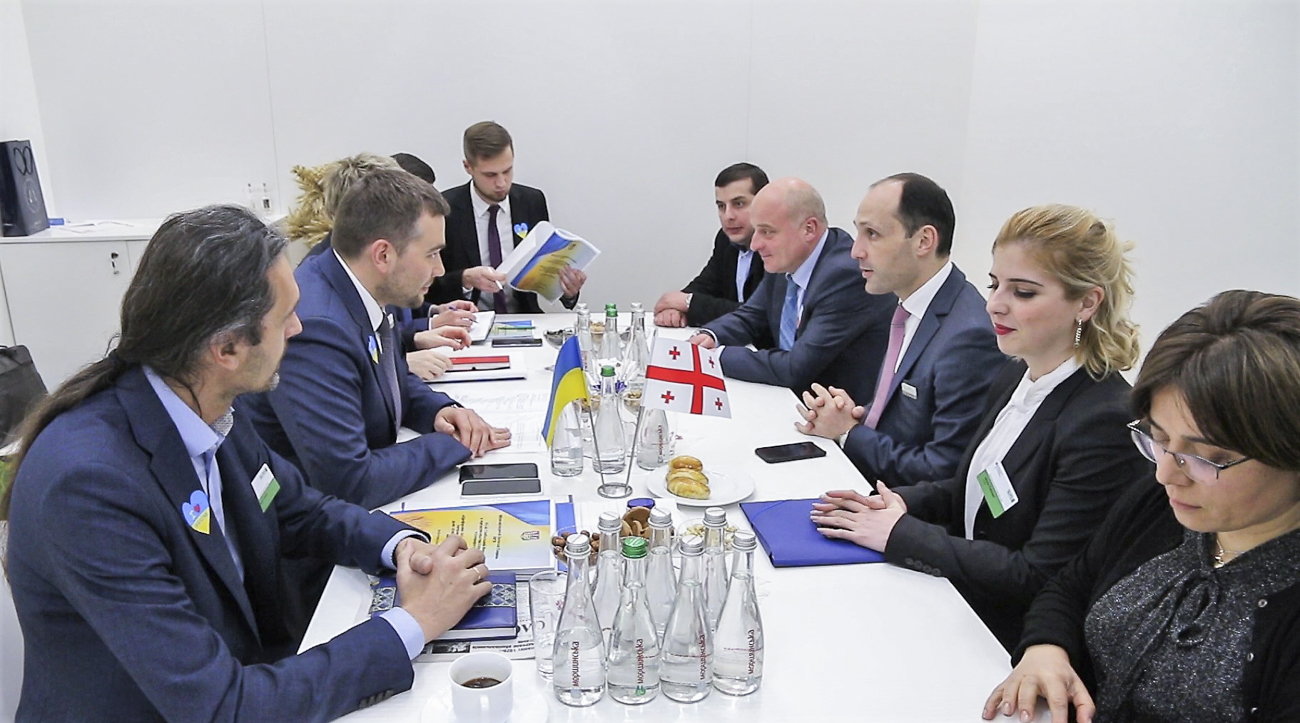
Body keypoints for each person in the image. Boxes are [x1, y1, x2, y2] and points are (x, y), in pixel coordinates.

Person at [1, 205, 492, 720]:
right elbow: (223, 706)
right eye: (285, 317)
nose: (299, 328)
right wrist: (412, 623)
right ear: (227, 348)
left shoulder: (204, 403)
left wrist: (402, 548)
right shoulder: (90, 487)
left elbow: (296, 509)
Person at [811, 204, 1148, 650]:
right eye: (994, 284)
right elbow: (978, 485)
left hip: (1008, 638)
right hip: (961, 597)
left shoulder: (1101, 421)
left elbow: (1039, 575)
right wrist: (899, 502)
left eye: (1023, 292)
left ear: (1086, 302)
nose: (994, 304)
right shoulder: (1016, 373)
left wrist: (900, 533)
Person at [983, 290, 1300, 723]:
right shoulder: (1160, 504)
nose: (1166, 473)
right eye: (1158, 438)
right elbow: (1071, 585)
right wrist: (1046, 648)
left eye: (1207, 458)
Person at [243, 168, 510, 511]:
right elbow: (352, 482)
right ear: (383, 255)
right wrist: (453, 444)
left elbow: (392, 378)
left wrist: (439, 410)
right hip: (309, 527)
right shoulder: (317, 330)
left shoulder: (361, 285)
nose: (441, 270)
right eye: (431, 254)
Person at [795, 173, 1003, 487]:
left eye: (872, 234)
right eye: (858, 232)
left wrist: (849, 433)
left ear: (924, 241)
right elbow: (904, 421)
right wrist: (855, 416)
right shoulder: (910, 303)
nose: (856, 251)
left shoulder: (967, 337)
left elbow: (943, 470)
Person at [688, 177, 895, 402]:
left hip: (840, 410)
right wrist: (709, 335)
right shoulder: (787, 257)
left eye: (767, 232)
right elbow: (751, 315)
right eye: (756, 231)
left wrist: (716, 356)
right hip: (793, 399)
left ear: (809, 229)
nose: (755, 245)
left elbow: (794, 368)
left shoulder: (845, 276)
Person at [300, 153, 476, 380]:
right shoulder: (320, 324)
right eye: (431, 254)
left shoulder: (371, 282)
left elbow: (395, 370)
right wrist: (421, 334)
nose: (439, 269)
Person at [425, 121, 585, 312]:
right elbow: (427, 285)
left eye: (507, 171)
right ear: (468, 167)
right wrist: (465, 279)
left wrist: (567, 291)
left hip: (525, 317)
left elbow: (542, 272)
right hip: (466, 320)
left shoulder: (531, 202)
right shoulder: (445, 209)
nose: (501, 183)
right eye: (490, 175)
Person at [654, 162, 768, 327]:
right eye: (721, 206)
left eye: (739, 204)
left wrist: (688, 303)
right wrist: (675, 308)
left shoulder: (776, 247)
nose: (728, 216)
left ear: (764, 203)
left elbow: (760, 315)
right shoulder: (725, 240)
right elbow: (706, 284)